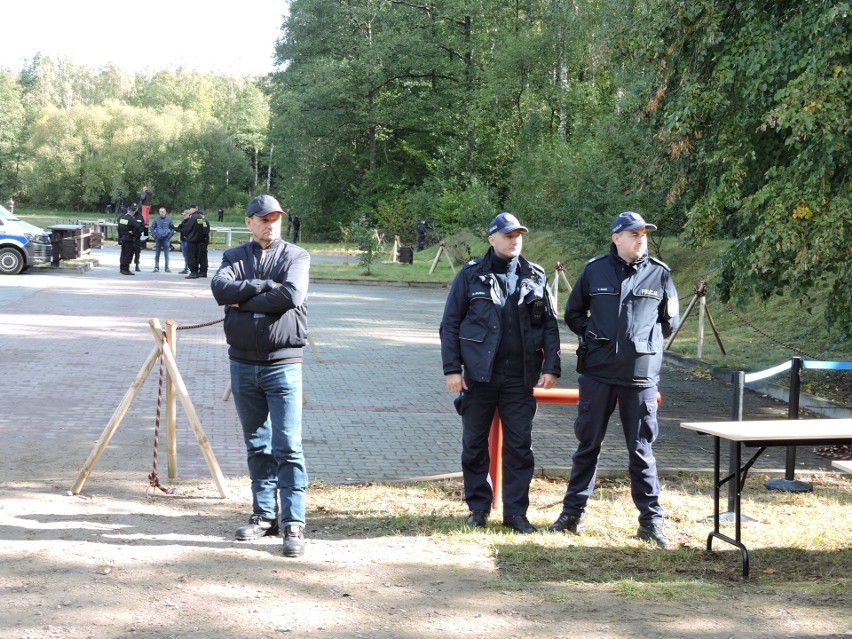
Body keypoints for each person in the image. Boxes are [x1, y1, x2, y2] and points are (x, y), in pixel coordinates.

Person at [548, 211, 680, 548]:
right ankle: (572, 514)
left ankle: (651, 523)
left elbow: (670, 322)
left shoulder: (660, 274)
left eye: (644, 234)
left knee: (641, 451)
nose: (640, 240)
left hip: (640, 376)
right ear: (616, 238)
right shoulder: (595, 271)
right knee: (587, 446)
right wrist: (596, 337)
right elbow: (573, 313)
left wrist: (644, 346)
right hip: (598, 373)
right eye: (633, 234)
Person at [439, 212, 561, 534]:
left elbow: (549, 324)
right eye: (508, 235)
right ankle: (478, 508)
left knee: (520, 448)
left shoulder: (535, 275)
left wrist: (552, 366)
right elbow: (450, 324)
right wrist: (453, 369)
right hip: (479, 377)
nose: (514, 240)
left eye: (518, 234)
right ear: (492, 239)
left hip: (520, 378)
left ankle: (516, 515)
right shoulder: (470, 276)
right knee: (474, 445)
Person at [210, 194, 310, 558]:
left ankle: (294, 522)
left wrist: (246, 296)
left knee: (288, 445)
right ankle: (264, 514)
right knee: (257, 444)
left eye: (276, 219)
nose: (271, 225)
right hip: (242, 362)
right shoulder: (233, 256)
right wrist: (265, 286)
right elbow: (220, 290)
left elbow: (291, 296)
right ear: (249, 221)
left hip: (283, 364)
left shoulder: (297, 256)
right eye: (264, 219)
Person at [183, 207, 210, 279]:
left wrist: (186, 235)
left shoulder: (194, 218)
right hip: (200, 240)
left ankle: (195, 272)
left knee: (194, 256)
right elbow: (200, 229)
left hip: (195, 240)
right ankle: (202, 271)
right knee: (199, 256)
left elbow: (187, 228)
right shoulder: (200, 219)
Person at [149, 206, 176, 272]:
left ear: (165, 212)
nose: (161, 213)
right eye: (160, 212)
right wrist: (154, 236)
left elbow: (173, 228)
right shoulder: (156, 219)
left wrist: (169, 237)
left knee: (166, 255)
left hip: (166, 239)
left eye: (162, 212)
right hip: (158, 239)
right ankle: (156, 267)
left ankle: (167, 268)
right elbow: (152, 228)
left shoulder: (169, 219)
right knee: (157, 254)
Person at [116, 205, 140, 276]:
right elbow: (137, 227)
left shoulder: (122, 218)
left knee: (123, 254)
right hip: (129, 238)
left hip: (123, 237)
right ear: (133, 211)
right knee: (128, 254)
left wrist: (120, 237)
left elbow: (119, 228)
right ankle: (126, 269)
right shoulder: (131, 219)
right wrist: (133, 233)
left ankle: (122, 268)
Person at [177, 206, 196, 274]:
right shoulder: (184, 221)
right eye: (183, 215)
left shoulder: (189, 221)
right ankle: (186, 268)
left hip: (187, 241)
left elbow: (185, 230)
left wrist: (179, 229)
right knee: (185, 255)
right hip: (183, 240)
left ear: (188, 215)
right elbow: (180, 228)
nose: (183, 216)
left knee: (188, 255)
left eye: (185, 215)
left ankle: (188, 268)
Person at [129, 203, 145, 272]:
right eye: (133, 209)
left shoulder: (140, 216)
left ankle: (137, 265)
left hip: (137, 237)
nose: (134, 210)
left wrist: (136, 233)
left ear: (137, 209)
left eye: (135, 209)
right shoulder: (128, 215)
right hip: (129, 237)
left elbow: (142, 226)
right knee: (128, 252)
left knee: (137, 252)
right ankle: (127, 265)